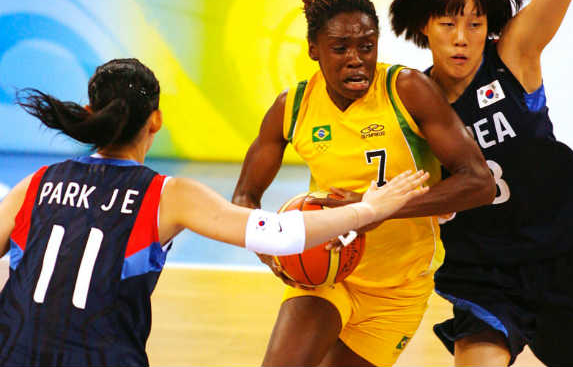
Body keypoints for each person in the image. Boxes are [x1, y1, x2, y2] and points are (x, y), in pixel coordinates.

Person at [0, 58, 430, 366]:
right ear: (156, 120)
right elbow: (278, 234)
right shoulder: (166, 194)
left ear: (91, 114)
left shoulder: (36, 183)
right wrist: (367, 209)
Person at [232, 0, 495, 367]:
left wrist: (378, 208)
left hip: (398, 289)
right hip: (326, 272)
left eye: (366, 46)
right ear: (314, 50)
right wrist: (269, 250)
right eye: (340, 48)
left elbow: (480, 183)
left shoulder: (406, 89)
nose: (356, 58)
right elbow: (244, 198)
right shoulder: (293, 107)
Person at [389, 0, 573, 366]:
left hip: (565, 251)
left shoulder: (514, 55)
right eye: (447, 24)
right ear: (424, 26)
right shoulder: (412, 101)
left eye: (474, 25)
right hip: (484, 269)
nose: (461, 38)